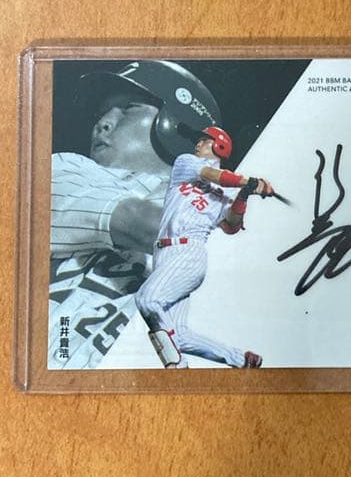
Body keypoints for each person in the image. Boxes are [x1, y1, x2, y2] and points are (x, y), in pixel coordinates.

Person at [48, 60, 223, 369]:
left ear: (174, 127)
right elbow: (142, 222)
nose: (102, 124)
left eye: (127, 109)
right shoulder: (67, 168)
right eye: (101, 114)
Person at [135, 127, 273, 369]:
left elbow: (231, 226)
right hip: (163, 254)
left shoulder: (229, 192)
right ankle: (242, 360)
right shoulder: (186, 163)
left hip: (188, 252)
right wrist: (249, 182)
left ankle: (178, 369)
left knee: (147, 300)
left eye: (204, 140)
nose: (197, 144)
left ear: (219, 146)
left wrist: (244, 194)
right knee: (178, 336)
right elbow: (213, 175)